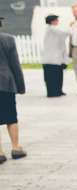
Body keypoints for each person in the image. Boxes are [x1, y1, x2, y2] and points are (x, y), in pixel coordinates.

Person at [0, 16, 27, 164]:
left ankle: (0, 152)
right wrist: (20, 86)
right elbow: (15, 65)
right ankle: (16, 148)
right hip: (6, 83)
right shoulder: (8, 39)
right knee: (11, 116)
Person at [42, 14, 69, 97]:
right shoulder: (51, 29)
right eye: (56, 20)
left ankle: (58, 90)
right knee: (51, 77)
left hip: (55, 59)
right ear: (52, 21)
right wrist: (72, 28)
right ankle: (52, 92)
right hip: (51, 59)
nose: (58, 21)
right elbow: (64, 33)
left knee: (58, 76)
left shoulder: (53, 29)